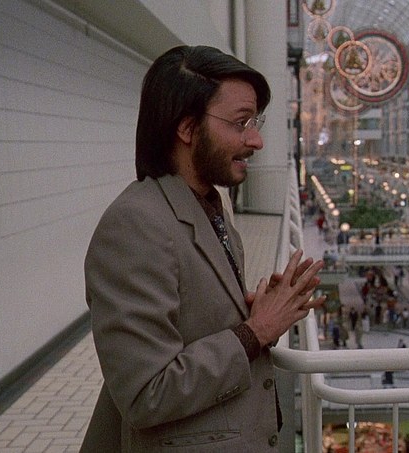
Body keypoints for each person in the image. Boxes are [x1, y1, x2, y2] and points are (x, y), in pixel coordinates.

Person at [80, 45, 326, 452]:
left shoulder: (207, 207)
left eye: (256, 122)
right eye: (241, 122)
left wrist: (254, 314)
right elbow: (146, 394)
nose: (256, 140)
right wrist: (255, 331)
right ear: (188, 128)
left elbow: (194, 325)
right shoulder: (135, 224)